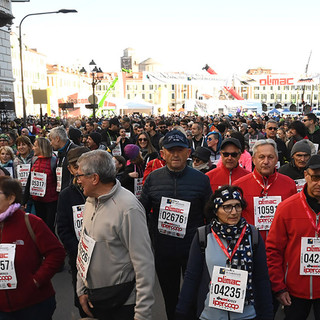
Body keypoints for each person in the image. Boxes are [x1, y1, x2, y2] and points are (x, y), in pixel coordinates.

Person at [140, 129, 212, 320]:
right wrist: (149, 239)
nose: (175, 154)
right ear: (163, 153)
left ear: (188, 153)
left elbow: (211, 217)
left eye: (180, 150)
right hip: (164, 251)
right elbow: (141, 211)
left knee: (195, 298)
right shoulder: (153, 179)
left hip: (194, 251)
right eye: (170, 150)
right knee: (170, 299)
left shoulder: (202, 180)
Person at [76, 150, 155, 320]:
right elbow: (84, 246)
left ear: (95, 178)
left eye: (80, 175)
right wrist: (81, 289)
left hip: (123, 304)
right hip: (94, 299)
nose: (78, 180)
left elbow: (144, 263)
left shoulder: (128, 208)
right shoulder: (90, 201)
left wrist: (142, 314)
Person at [175, 185, 273, 320]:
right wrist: (182, 310)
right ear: (215, 210)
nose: (233, 212)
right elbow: (192, 276)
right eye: (227, 207)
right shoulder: (203, 235)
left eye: (237, 206)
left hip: (247, 315)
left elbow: (262, 278)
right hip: (211, 314)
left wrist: (268, 313)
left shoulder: (253, 235)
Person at [0, 176, 65, 320]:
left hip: (33, 305)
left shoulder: (31, 222)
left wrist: (36, 281)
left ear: (11, 198)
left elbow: (57, 253)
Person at [266, 154, 320, 320]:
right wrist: (279, 287)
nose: (319, 183)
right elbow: (273, 250)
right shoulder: (286, 208)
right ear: (306, 176)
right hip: (294, 290)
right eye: (316, 177)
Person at [234, 139, 297, 242]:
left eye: (270, 157)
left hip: (280, 245)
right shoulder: (239, 185)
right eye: (261, 157)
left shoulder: (289, 184)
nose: (266, 161)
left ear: (276, 160)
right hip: (249, 245)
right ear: (254, 160)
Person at [56, 146, 90, 318]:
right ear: (69, 169)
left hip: (106, 259)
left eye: (84, 165)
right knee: (82, 303)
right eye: (76, 166)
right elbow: (62, 228)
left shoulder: (100, 191)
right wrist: (78, 251)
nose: (80, 171)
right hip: (79, 261)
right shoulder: (66, 195)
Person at [23, 137, 58, 233]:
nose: (33, 148)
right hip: (37, 200)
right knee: (40, 227)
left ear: (42, 147)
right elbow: (29, 180)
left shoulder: (54, 161)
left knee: (49, 228)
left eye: (35, 146)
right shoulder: (34, 160)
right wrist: (24, 200)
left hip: (51, 202)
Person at [49, 126, 77, 192]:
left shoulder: (74, 151)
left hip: (72, 193)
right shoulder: (60, 152)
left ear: (57, 139)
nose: (50, 143)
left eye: (51, 140)